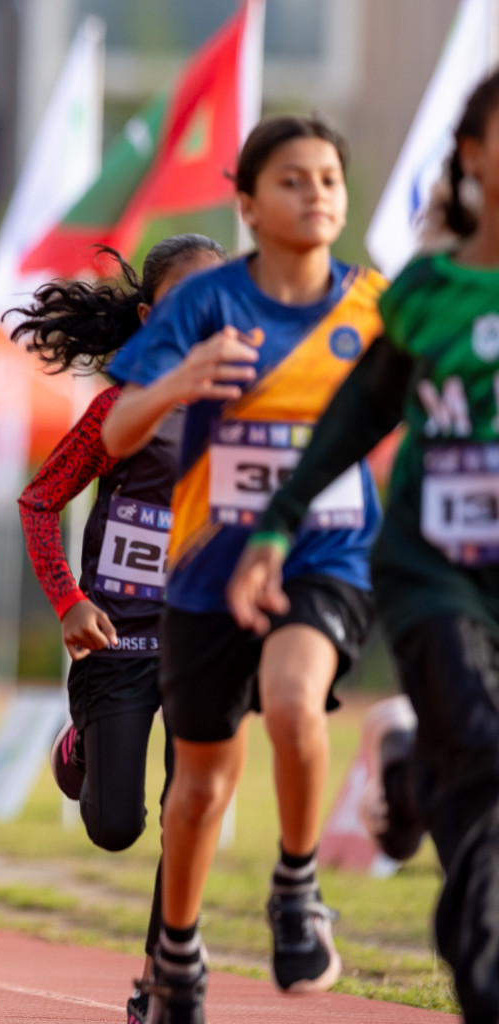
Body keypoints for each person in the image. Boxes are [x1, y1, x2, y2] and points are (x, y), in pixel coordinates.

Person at [100, 115, 385, 1022]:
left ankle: (297, 886)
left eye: (330, 179)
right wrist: (181, 382)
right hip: (205, 572)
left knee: (297, 699)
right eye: (294, 180)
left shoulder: (374, 308)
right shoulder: (207, 304)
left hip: (325, 554)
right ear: (249, 204)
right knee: (199, 790)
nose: (316, 195)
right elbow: (115, 430)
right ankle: (176, 953)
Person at [228, 72, 499, 1023]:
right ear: (472, 156)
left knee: (478, 783)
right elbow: (357, 415)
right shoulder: (427, 292)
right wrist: (277, 520)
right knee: (486, 743)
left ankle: (418, 773)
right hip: (436, 572)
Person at [13, 234, 228, 1024]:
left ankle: (159, 981)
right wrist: (69, 599)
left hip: (204, 640)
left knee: (188, 813)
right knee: (114, 828)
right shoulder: (120, 407)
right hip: (117, 639)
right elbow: (39, 501)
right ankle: (78, 748)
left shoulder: (249, 409)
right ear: (151, 315)